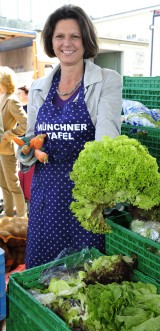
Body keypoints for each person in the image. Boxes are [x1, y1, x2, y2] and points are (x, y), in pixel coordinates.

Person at [16, 4, 122, 269]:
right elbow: (31, 138)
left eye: (74, 36)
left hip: (85, 196)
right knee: (42, 275)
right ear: (51, 41)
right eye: (59, 36)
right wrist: (27, 151)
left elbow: (107, 144)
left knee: (84, 273)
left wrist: (98, 190)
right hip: (46, 195)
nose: (67, 43)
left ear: (85, 39)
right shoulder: (40, 86)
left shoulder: (107, 80)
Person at [0, 66, 27, 217]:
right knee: (4, 186)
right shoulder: (2, 97)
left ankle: (22, 217)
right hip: (0, 148)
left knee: (13, 185)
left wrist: (10, 134)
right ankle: (8, 215)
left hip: (7, 149)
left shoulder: (11, 100)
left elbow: (25, 123)